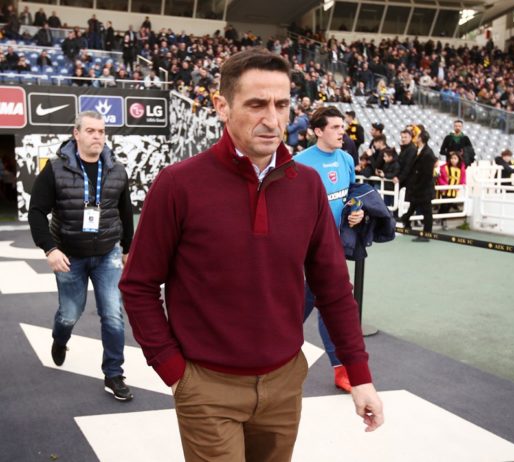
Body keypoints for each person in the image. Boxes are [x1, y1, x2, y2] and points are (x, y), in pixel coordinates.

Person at [119, 49, 383, 462]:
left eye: (282, 104)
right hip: (206, 387)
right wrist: (173, 369)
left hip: (285, 384)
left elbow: (333, 287)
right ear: (222, 106)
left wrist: (359, 374)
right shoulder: (177, 184)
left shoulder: (308, 186)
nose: (273, 119)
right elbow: (138, 285)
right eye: (257, 104)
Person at [28, 111, 134, 402]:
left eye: (101, 131)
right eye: (90, 131)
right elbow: (36, 212)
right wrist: (50, 249)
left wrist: (127, 248)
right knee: (69, 314)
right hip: (69, 256)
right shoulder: (55, 169)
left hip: (107, 254)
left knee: (113, 314)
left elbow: (125, 212)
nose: (97, 136)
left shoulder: (117, 169)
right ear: (76, 134)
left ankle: (114, 374)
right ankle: (60, 338)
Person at [294, 106, 365, 393]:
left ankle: (341, 369)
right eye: (335, 127)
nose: (341, 132)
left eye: (342, 127)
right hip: (305, 252)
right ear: (318, 131)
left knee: (330, 307)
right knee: (300, 306)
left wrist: (357, 211)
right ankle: (264, 348)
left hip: (334, 249)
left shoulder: (346, 158)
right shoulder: (299, 163)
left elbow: (352, 196)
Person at [400, 129, 437, 242]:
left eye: (418, 136)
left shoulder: (428, 153)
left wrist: (418, 187)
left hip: (424, 188)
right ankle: (405, 220)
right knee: (413, 207)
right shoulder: (419, 150)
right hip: (418, 187)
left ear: (420, 138)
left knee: (427, 213)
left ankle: (426, 235)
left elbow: (427, 175)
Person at [437, 151, 466, 229]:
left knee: (449, 205)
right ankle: (443, 220)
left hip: (454, 191)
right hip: (445, 190)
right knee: (444, 205)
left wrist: (461, 185)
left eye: (455, 158)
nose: (453, 160)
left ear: (458, 160)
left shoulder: (461, 168)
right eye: (452, 158)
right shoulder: (445, 167)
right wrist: (444, 186)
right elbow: (440, 178)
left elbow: (463, 178)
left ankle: (440, 218)